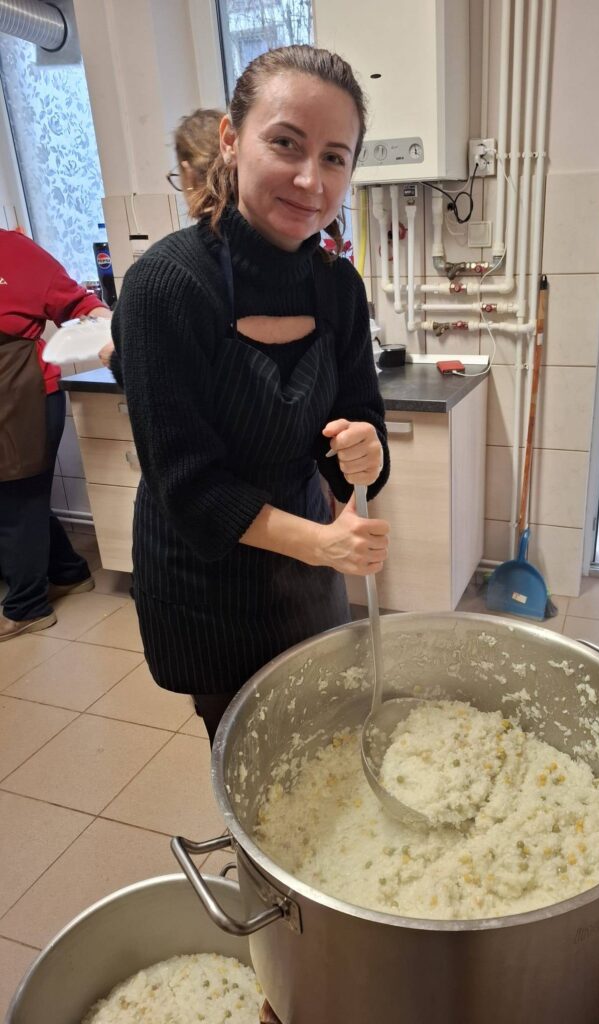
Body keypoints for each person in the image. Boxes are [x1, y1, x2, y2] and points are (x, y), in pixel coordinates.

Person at [111, 44, 390, 746]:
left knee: (321, 738)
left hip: (308, 571)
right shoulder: (166, 286)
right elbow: (188, 484)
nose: (310, 179)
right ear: (232, 140)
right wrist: (321, 544)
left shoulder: (337, 286)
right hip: (205, 582)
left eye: (334, 157)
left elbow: (358, 420)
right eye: (285, 143)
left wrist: (365, 452)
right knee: (249, 753)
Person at [0, 230, 111, 641]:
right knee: (17, 497)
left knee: (17, 500)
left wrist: (116, 334)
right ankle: (69, 572)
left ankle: (27, 607)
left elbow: (80, 304)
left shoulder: (13, 249)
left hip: (20, 391)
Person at [98, 108, 224, 370]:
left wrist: (117, 360)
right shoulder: (279, 250)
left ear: (188, 174)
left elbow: (156, 377)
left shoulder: (158, 274)